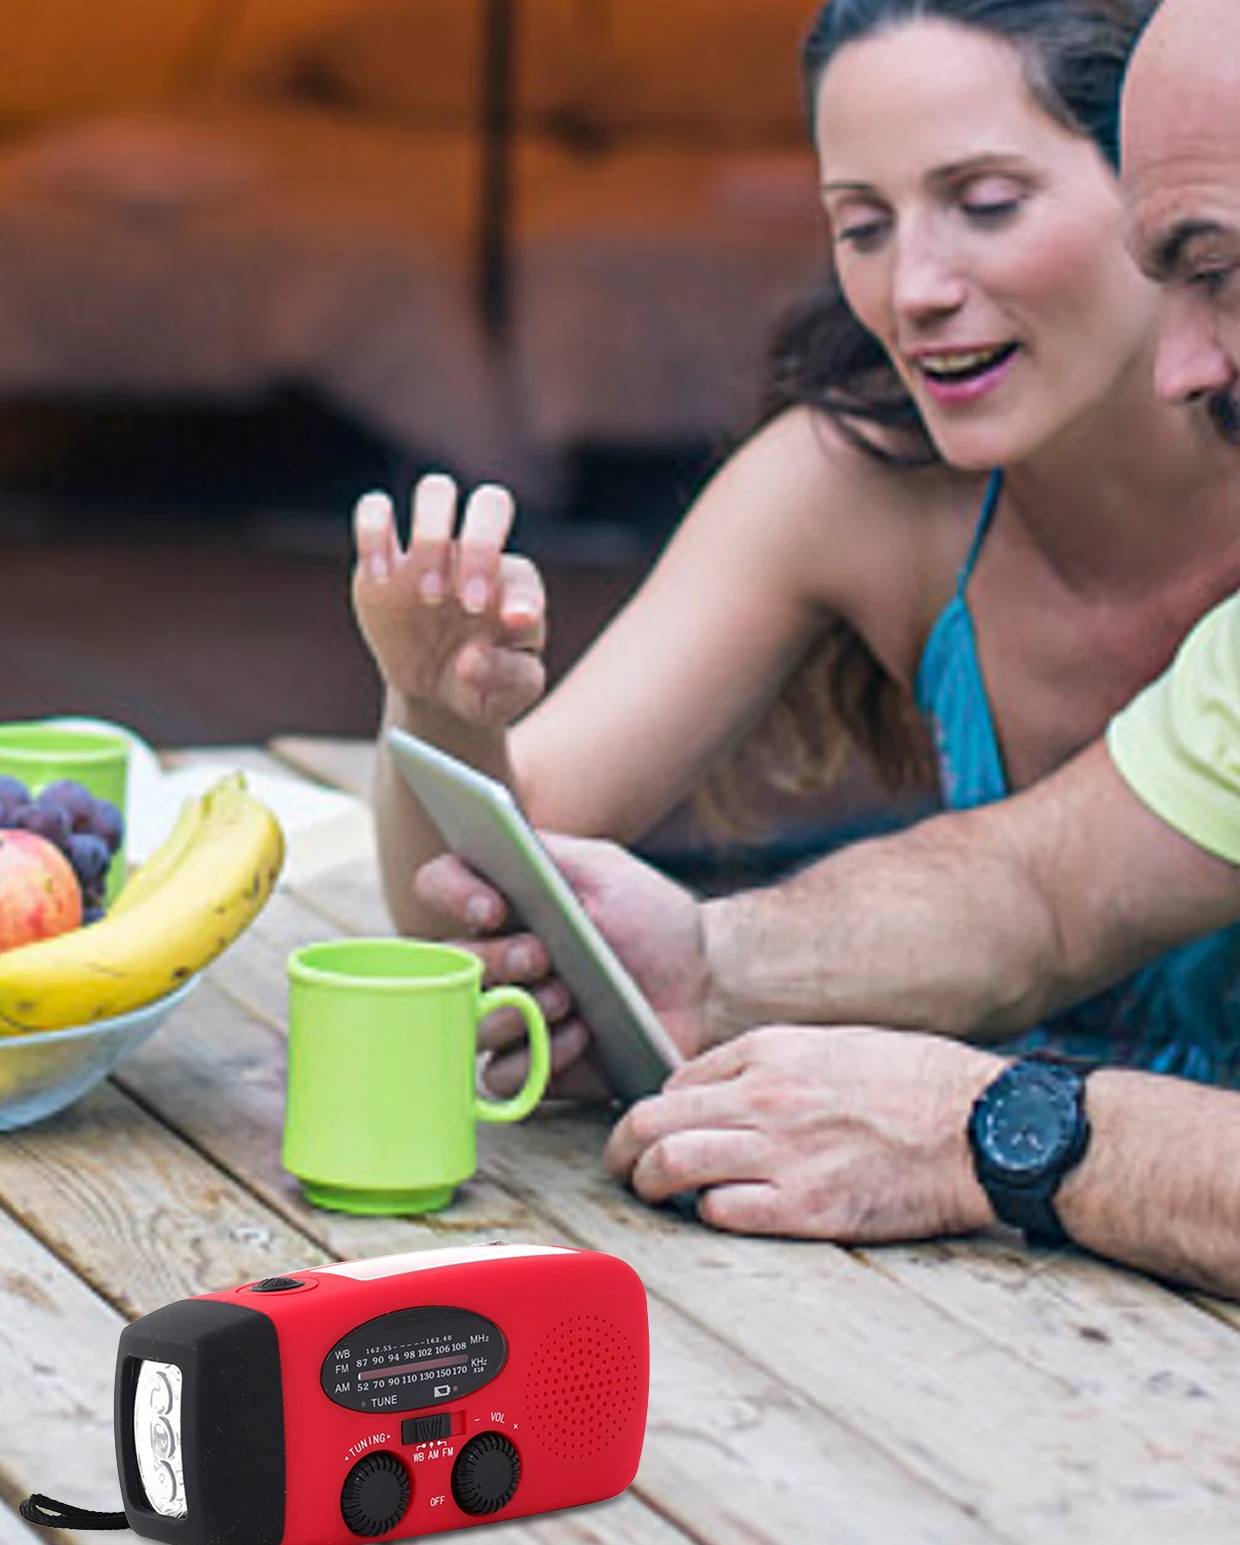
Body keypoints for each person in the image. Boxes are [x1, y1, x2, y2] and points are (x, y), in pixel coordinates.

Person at [416, 0, 1240, 1297]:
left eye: (1218, 270)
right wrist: (710, 964)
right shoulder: (855, 479)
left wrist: (994, 1132)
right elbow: (1042, 887)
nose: (1189, 365)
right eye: (860, 225)